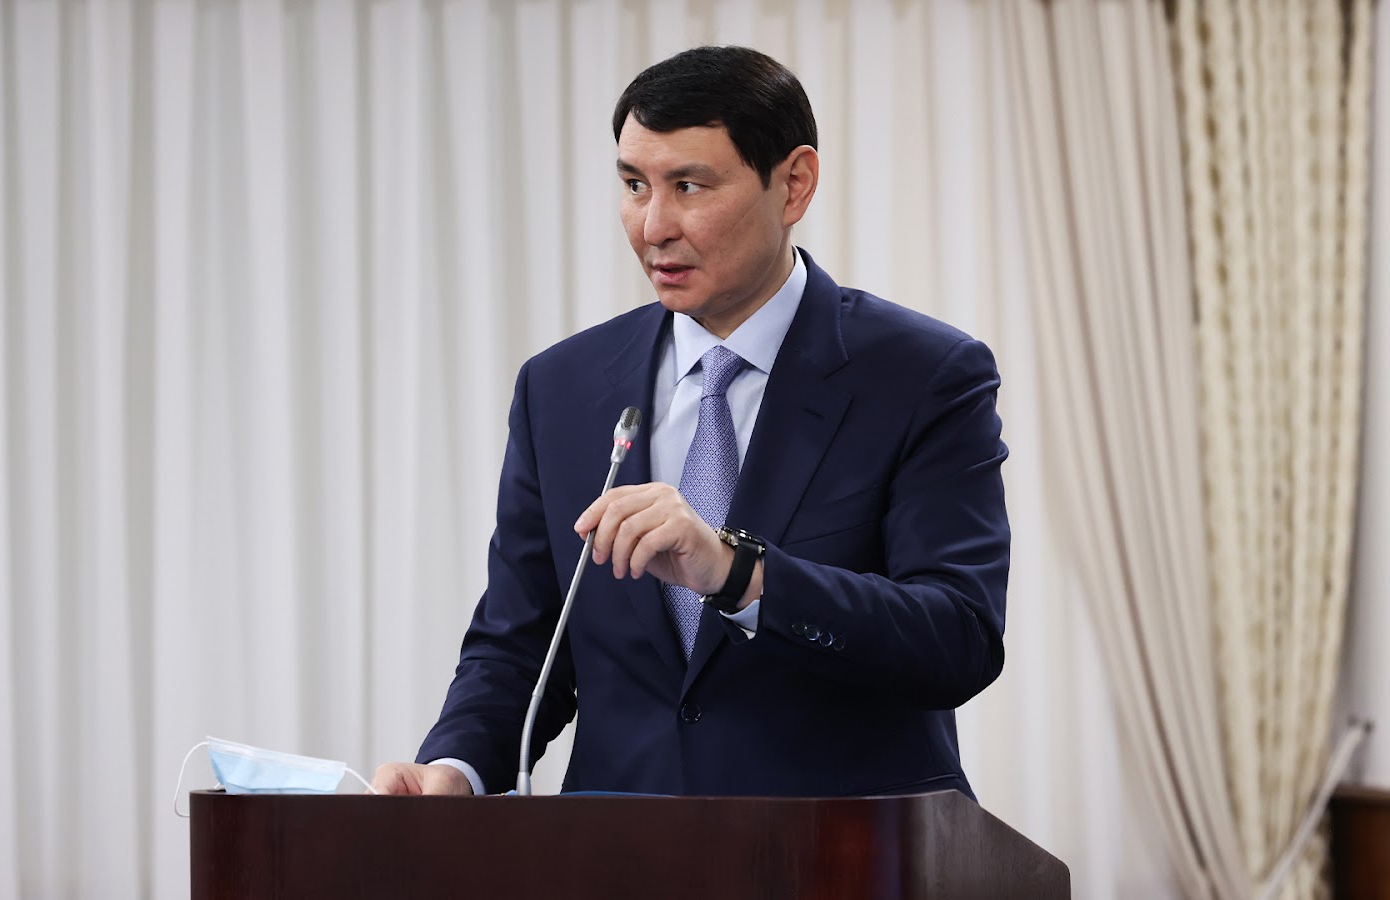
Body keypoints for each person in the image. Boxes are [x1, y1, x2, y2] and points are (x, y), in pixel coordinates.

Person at [371, 45, 1009, 799]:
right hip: (620, 846)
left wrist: (739, 573)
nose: (653, 226)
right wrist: (455, 769)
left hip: (845, 844)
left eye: (689, 186)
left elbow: (958, 638)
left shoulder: (922, 374)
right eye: (634, 185)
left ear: (794, 184)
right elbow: (521, 646)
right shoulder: (560, 388)